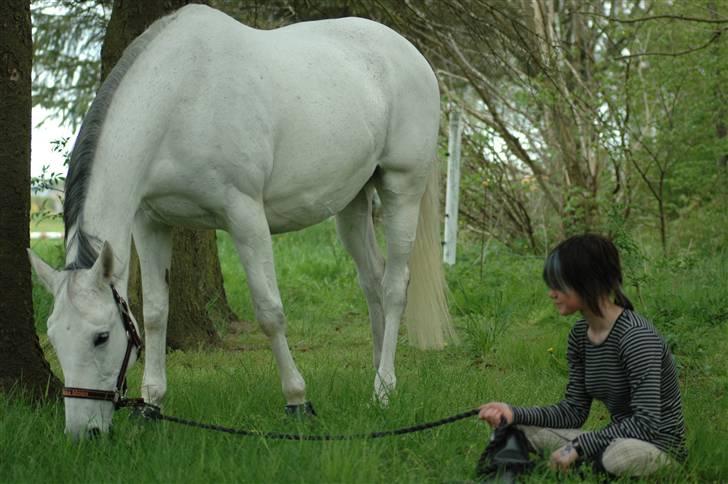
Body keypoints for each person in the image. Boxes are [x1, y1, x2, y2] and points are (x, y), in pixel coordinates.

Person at [479, 234, 687, 477]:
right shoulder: (580, 335)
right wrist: (513, 412)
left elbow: (647, 424)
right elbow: (573, 411)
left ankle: (570, 467)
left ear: (588, 282)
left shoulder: (636, 337)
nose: (551, 293)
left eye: (559, 284)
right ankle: (537, 470)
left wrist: (578, 446)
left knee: (620, 456)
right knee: (517, 428)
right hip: (613, 439)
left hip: (654, 447)